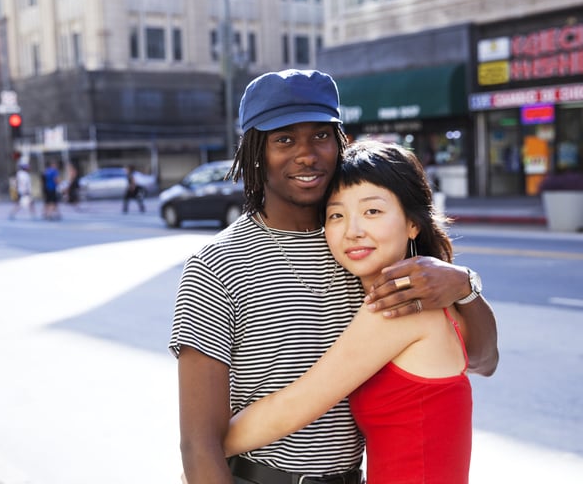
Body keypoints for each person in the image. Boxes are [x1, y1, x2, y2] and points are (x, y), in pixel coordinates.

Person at [169, 69, 498, 484]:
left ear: (338, 143)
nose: (306, 154)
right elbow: (198, 443)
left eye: (320, 136)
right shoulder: (216, 265)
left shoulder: (356, 250)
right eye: (284, 139)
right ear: (255, 150)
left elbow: (480, 360)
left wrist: (465, 284)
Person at [224, 140, 473, 483]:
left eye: (372, 211)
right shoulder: (432, 295)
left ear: (413, 224)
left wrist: (203, 453)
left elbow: (290, 408)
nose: (353, 231)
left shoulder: (400, 304)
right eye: (337, 215)